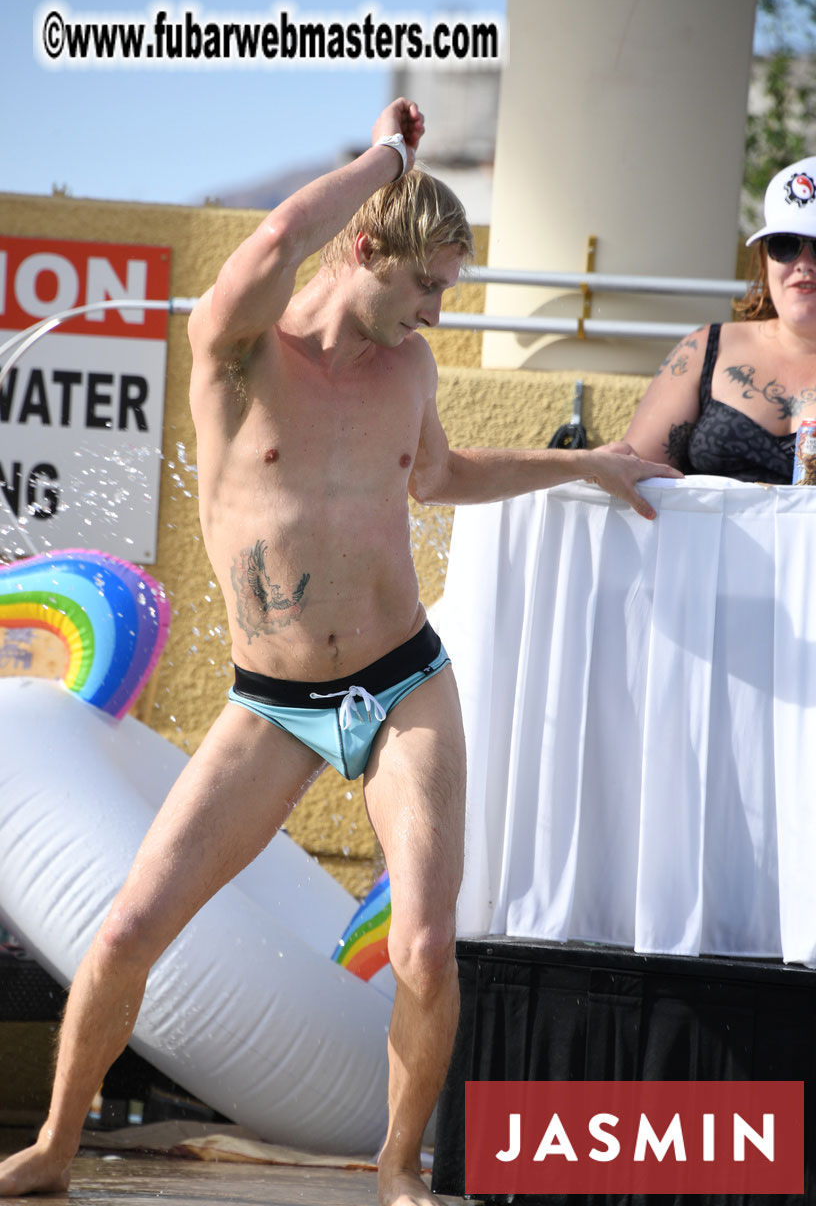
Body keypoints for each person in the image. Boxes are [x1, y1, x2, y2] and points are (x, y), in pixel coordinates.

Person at [0, 98, 679, 1206]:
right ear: (362, 243)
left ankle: (400, 1167)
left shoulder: (405, 372)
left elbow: (443, 478)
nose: (436, 314)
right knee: (127, 925)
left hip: (402, 680)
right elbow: (271, 243)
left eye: (449, 292)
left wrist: (590, 463)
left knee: (422, 948)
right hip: (272, 703)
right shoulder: (238, 349)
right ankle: (56, 1146)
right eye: (426, 285)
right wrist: (385, 156)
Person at [603, 155, 816, 483]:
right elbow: (635, 476)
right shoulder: (705, 349)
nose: (803, 264)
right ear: (764, 258)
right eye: (785, 245)